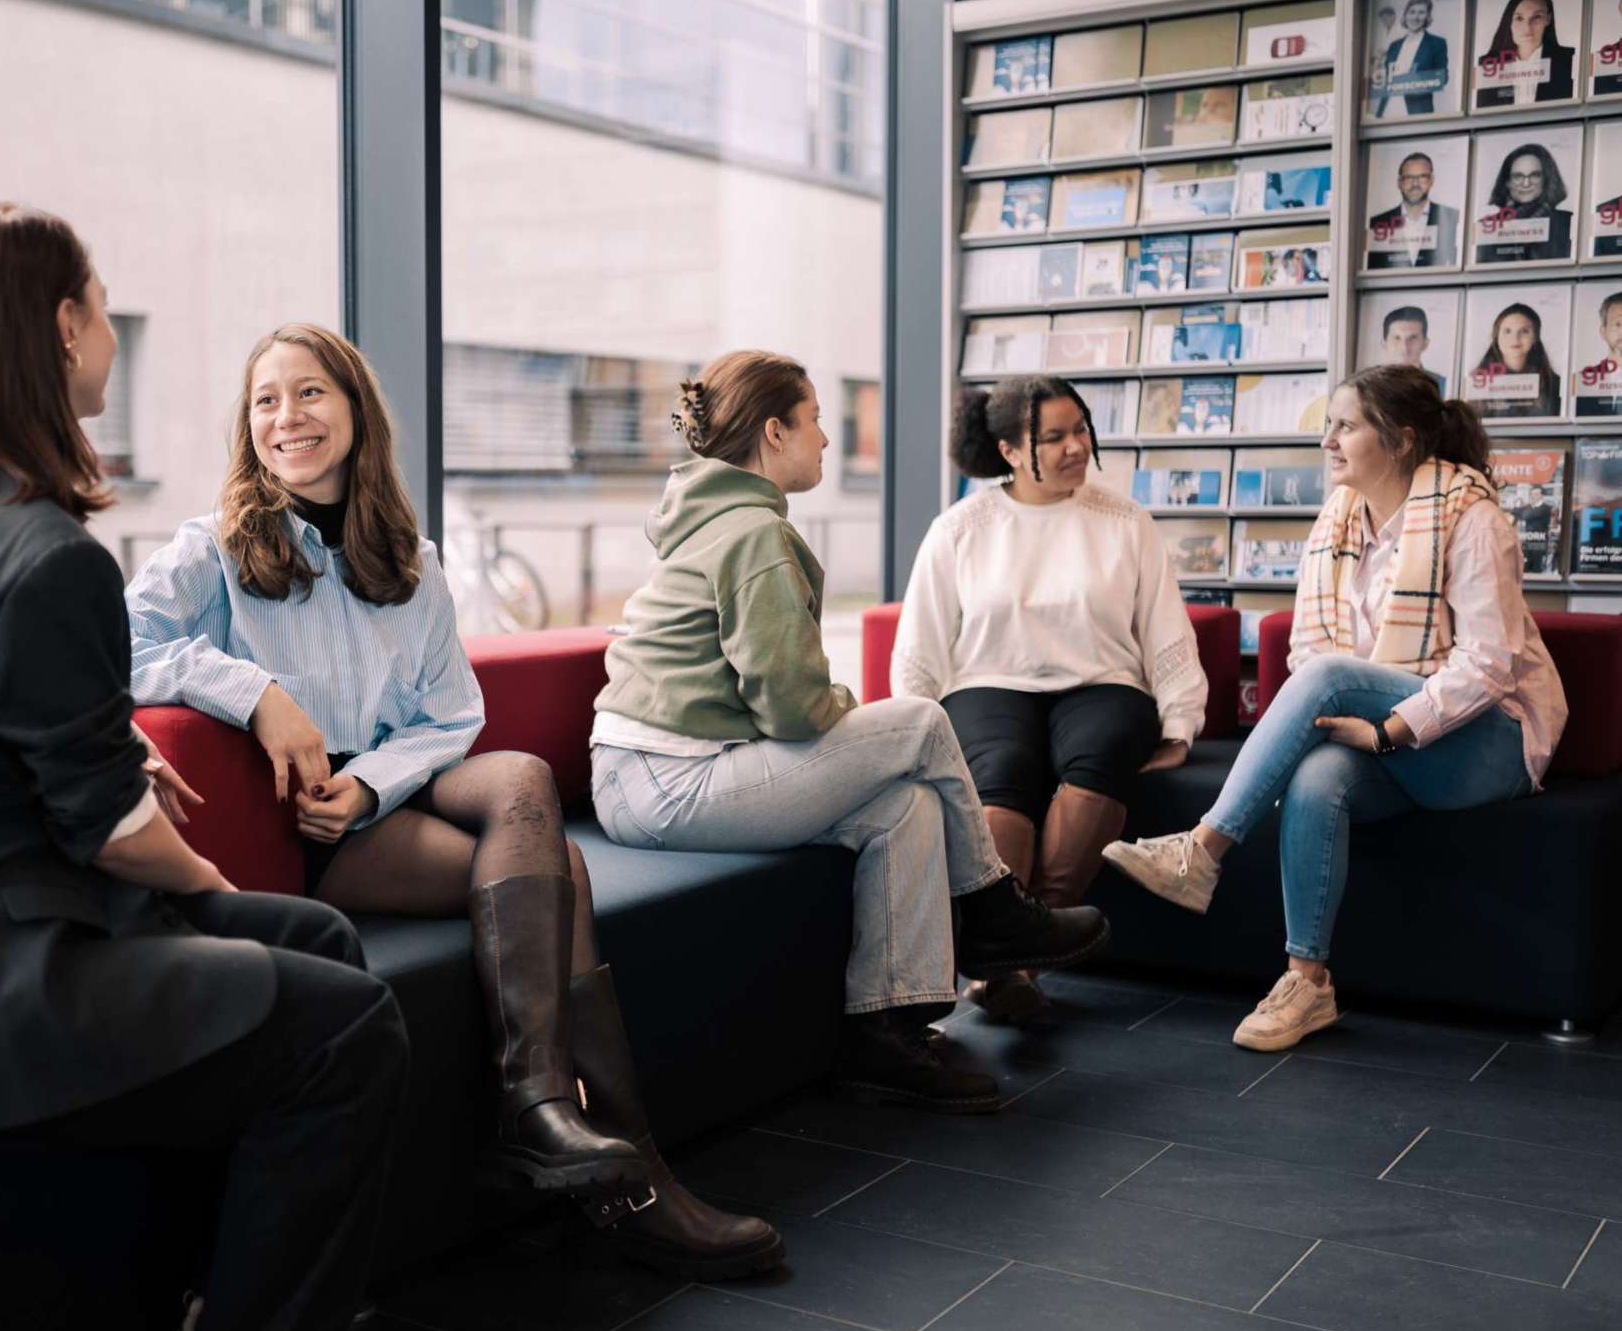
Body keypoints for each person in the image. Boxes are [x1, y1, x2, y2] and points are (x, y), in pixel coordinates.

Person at [0, 207, 408, 1331]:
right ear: (64, 326)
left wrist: (106, 740)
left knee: (317, 933)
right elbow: (115, 836)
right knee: (351, 1028)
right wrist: (199, 870)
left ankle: (256, 1308)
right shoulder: (47, 549)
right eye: (103, 309)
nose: (109, 335)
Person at [124, 323, 782, 1281]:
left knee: (519, 775)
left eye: (309, 393)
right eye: (266, 400)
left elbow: (452, 714)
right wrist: (258, 695)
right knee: (565, 867)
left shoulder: (411, 558)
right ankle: (630, 1180)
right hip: (304, 823)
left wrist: (374, 783)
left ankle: (543, 1111)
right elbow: (120, 642)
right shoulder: (213, 549)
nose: (286, 417)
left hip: (391, 784)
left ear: (354, 410)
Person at [588, 350, 1109, 1110]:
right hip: (667, 779)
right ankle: (995, 912)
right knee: (922, 721)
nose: (827, 440)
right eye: (816, 420)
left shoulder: (718, 516)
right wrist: (846, 706)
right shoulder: (752, 536)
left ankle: (886, 1033)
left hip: (654, 773)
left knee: (908, 807)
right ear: (775, 431)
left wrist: (841, 713)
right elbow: (793, 709)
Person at [1103, 364, 1566, 1052]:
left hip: (1490, 741)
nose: (1328, 441)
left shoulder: (1473, 520)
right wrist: (1355, 728)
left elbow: (1489, 665)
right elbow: (1312, 651)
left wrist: (1386, 728)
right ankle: (1306, 979)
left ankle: (1202, 849)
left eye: (1345, 425)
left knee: (1327, 680)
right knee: (1318, 779)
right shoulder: (1337, 522)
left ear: (1401, 438)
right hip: (1393, 734)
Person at [892, 375, 1208, 1021]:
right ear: (1010, 450)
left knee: (1102, 753)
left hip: (1103, 683)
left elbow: (1164, 626)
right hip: (988, 681)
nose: (1075, 447)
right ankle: (1008, 956)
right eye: (1055, 436)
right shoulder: (960, 529)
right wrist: (911, 730)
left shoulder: (1126, 520)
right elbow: (920, 643)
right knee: (1000, 772)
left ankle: (1016, 960)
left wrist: (1180, 721)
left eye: (1080, 430)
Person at [1475, 0, 1576, 107]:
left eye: (1537, 17)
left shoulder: (1569, 60)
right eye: (1519, 18)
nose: (1527, 27)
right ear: (1509, 21)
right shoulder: (1489, 65)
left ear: (1548, 19)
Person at [1474, 143, 1574, 262]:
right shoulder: (1488, 227)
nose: (1526, 183)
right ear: (1507, 182)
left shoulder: (1567, 222)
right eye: (1518, 176)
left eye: (1535, 175)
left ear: (1546, 180)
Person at [1466, 302, 1562, 419]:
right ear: (1496, 337)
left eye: (1524, 331)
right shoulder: (1476, 384)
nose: (1515, 338)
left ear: (1535, 337)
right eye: (1507, 331)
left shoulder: (1555, 384)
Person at [1365, 152, 1460, 270]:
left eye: (1422, 177)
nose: (1415, 184)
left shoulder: (1453, 218)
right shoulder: (1377, 223)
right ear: (1399, 182)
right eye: (1408, 178)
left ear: (1431, 180)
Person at [1372, 0, 1448, 119]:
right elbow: (1386, 80)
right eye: (1412, 12)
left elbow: (1442, 78)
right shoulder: (1394, 46)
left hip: (1417, 111)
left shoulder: (1436, 43)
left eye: (1421, 12)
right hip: (1387, 110)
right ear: (1406, 15)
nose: (1415, 17)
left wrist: (1413, 81)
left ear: (1427, 16)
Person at [1376, 305, 1448, 396]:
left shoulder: (1440, 384)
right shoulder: (1370, 385)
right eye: (1397, 338)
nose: (1404, 347)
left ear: (1425, 343)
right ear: (1384, 344)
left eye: (1413, 338)